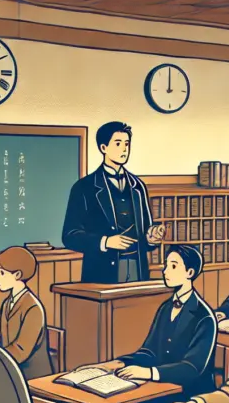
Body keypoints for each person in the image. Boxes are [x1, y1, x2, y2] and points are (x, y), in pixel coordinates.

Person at [83, 245, 217, 397]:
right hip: (162, 388)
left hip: (193, 396)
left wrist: (149, 372)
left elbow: (192, 368)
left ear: (190, 272)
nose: (165, 271)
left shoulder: (204, 317)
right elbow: (149, 352)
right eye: (166, 265)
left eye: (173, 266)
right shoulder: (165, 308)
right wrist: (117, 364)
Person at [62, 121, 166, 283]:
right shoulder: (84, 187)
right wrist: (106, 241)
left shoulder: (137, 186)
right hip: (101, 270)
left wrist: (151, 238)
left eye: (127, 144)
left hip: (137, 268)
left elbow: (146, 231)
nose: (124, 149)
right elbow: (69, 235)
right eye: (118, 144)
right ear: (103, 148)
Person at [0, 246, 53, 379]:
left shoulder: (33, 308)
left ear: (17, 275)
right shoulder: (7, 303)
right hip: (10, 368)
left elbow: (20, 350)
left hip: (30, 376)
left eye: (2, 273)